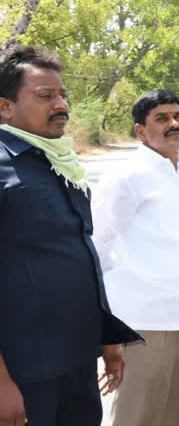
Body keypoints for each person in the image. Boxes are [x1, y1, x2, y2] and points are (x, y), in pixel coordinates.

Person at [0, 45, 139, 426]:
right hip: (25, 369)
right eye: (45, 96)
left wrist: (107, 338)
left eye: (63, 94)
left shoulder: (61, 162)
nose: (61, 104)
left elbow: (83, 252)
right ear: (4, 108)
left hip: (77, 358)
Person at [92, 89, 179, 426]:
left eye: (177, 116)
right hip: (142, 324)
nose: (174, 124)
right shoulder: (127, 176)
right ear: (140, 130)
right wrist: (108, 323)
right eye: (162, 118)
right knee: (136, 417)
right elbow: (97, 245)